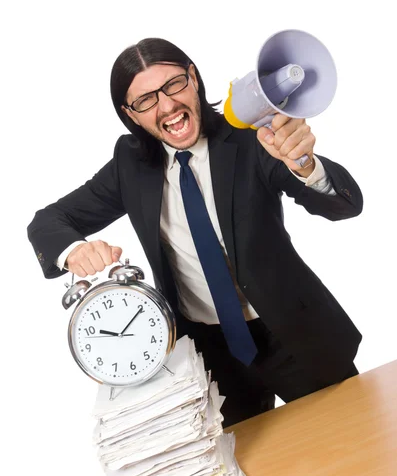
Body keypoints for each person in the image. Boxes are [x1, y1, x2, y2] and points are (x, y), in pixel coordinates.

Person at [27, 38, 363, 427]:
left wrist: (304, 163)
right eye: (146, 100)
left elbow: (344, 205)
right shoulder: (130, 166)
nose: (167, 105)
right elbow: (47, 221)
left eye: (173, 84)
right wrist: (72, 250)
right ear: (131, 114)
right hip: (209, 358)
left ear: (194, 79)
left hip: (293, 334)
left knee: (354, 445)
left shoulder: (249, 138)